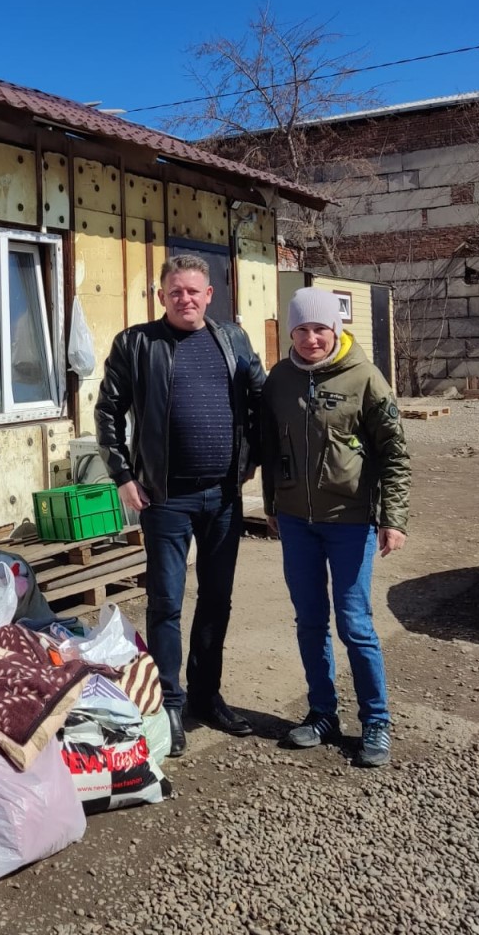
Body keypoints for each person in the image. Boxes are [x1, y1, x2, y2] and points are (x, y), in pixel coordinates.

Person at [95, 254, 265, 757]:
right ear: (162, 296)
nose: (185, 299)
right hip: (166, 498)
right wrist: (123, 476)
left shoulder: (232, 339)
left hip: (224, 497)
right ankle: (169, 699)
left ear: (209, 295)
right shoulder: (136, 343)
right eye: (176, 292)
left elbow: (261, 397)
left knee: (217, 600)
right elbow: (108, 411)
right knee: (165, 602)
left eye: (194, 291)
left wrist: (252, 458)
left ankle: (207, 696)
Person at [262, 287, 410, 768]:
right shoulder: (279, 379)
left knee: (355, 624)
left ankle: (377, 721)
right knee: (309, 621)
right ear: (292, 332)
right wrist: (270, 505)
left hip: (350, 522)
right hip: (296, 522)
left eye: (320, 329)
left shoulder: (366, 378)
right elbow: (269, 446)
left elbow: (394, 453)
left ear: (336, 330)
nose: (311, 339)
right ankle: (322, 713)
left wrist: (392, 518)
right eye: (302, 329)